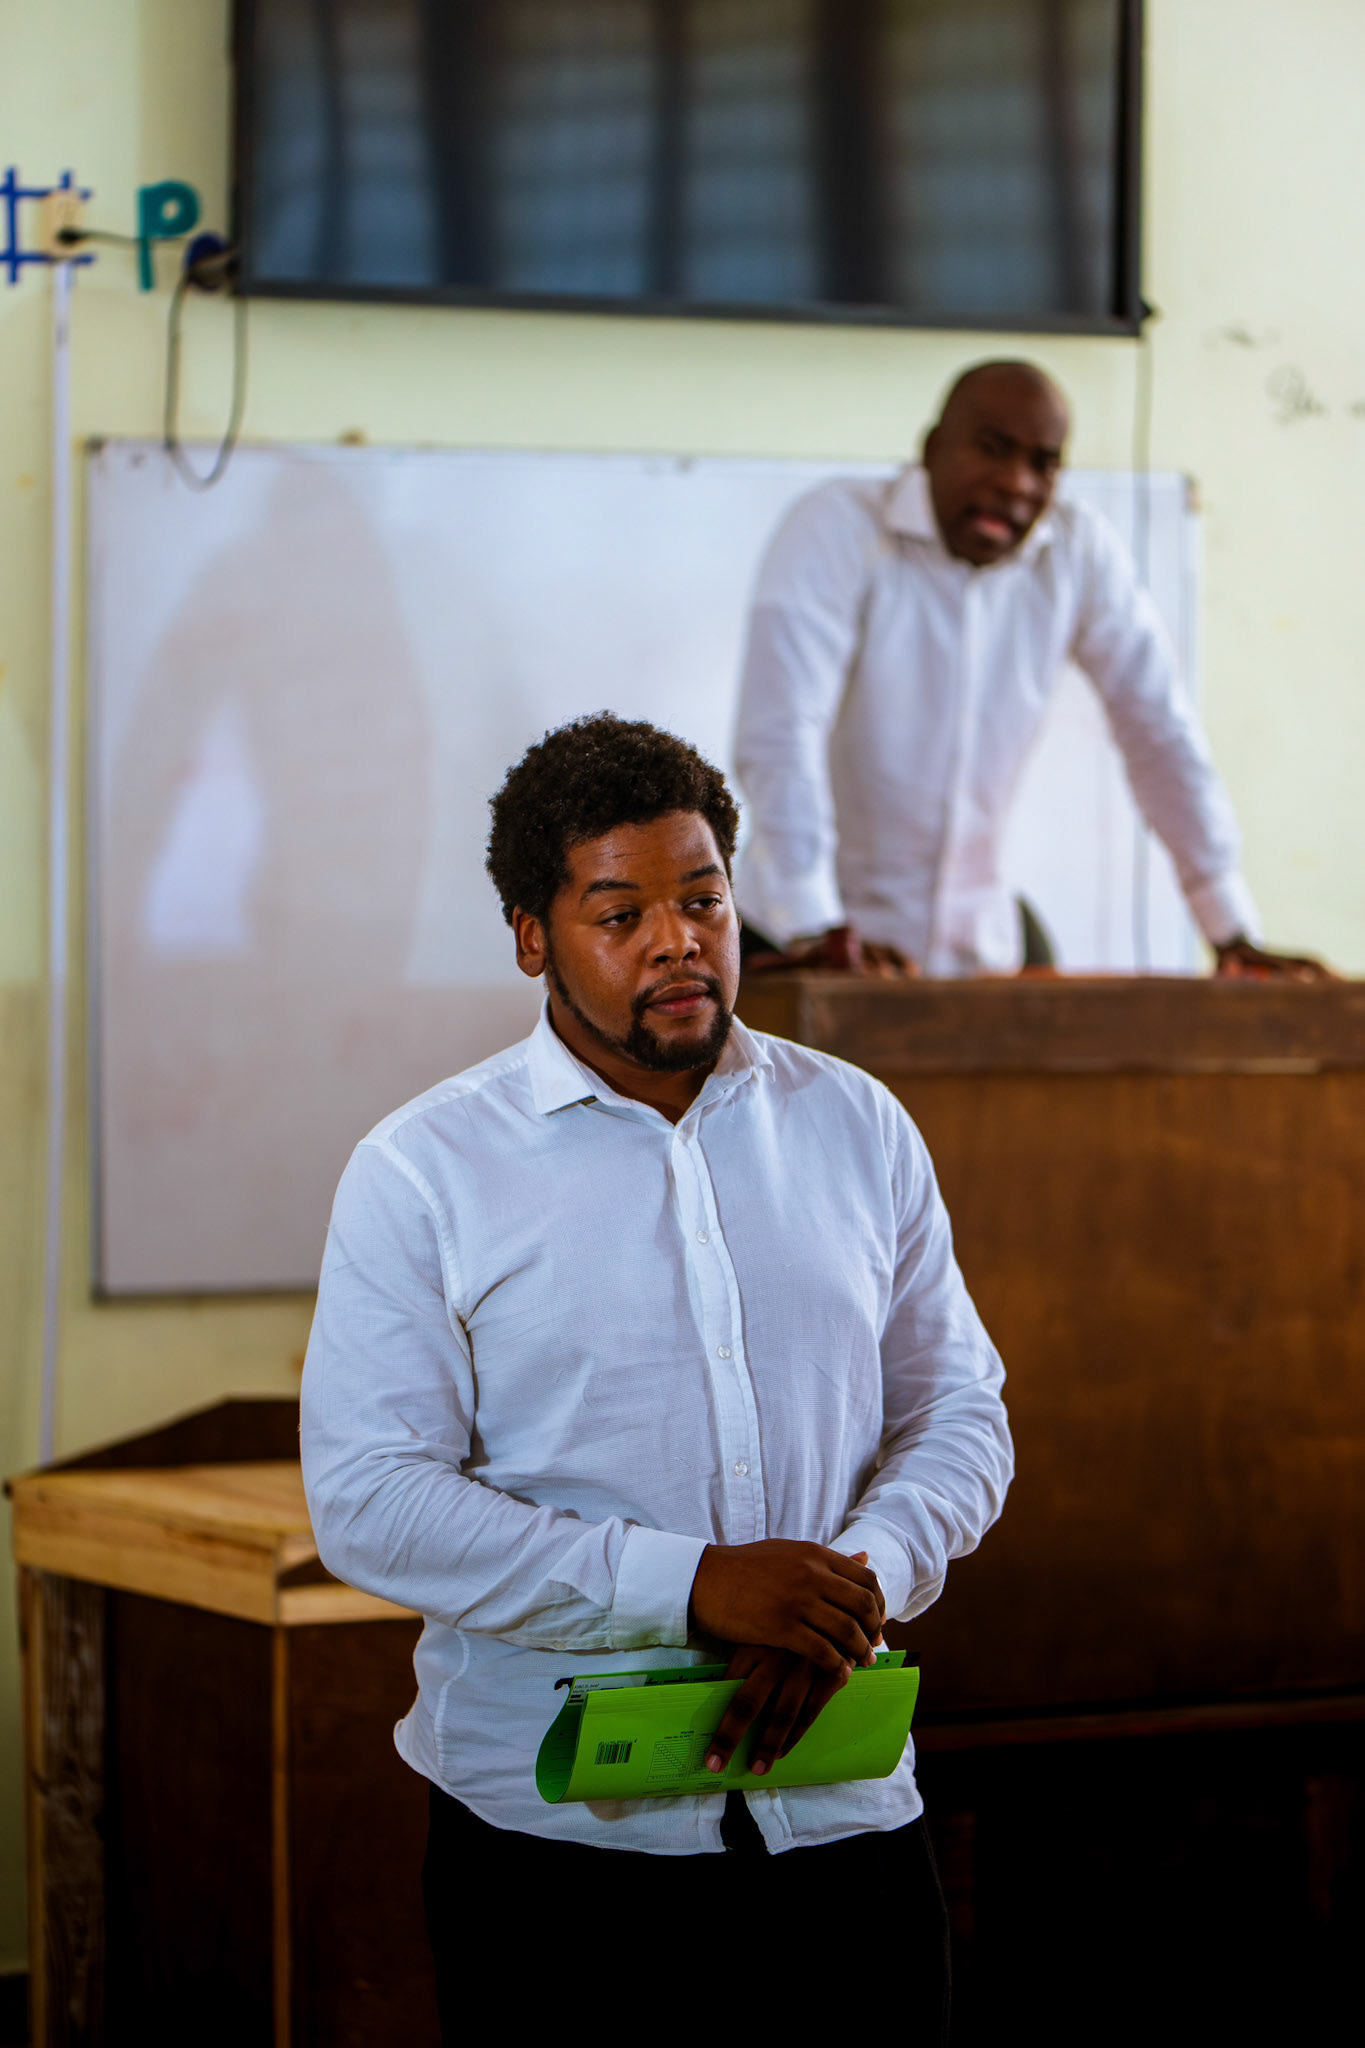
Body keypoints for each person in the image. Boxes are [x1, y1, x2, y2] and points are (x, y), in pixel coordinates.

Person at [301, 714, 1012, 2038]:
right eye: (621, 913)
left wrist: (850, 1586)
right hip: (564, 1856)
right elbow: (371, 1501)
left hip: (844, 1821)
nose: (679, 941)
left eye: (704, 899)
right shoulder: (423, 1171)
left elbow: (959, 1408)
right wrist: (691, 1584)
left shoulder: (855, 1124)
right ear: (532, 937)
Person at [734, 359, 1331, 980]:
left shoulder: (1078, 551)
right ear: (932, 450)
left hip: (981, 957)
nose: (1015, 484)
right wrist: (818, 929)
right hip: (798, 940)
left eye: (1043, 464)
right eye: (991, 449)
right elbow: (782, 732)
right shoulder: (835, 527)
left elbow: (1159, 731)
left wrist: (1230, 929)